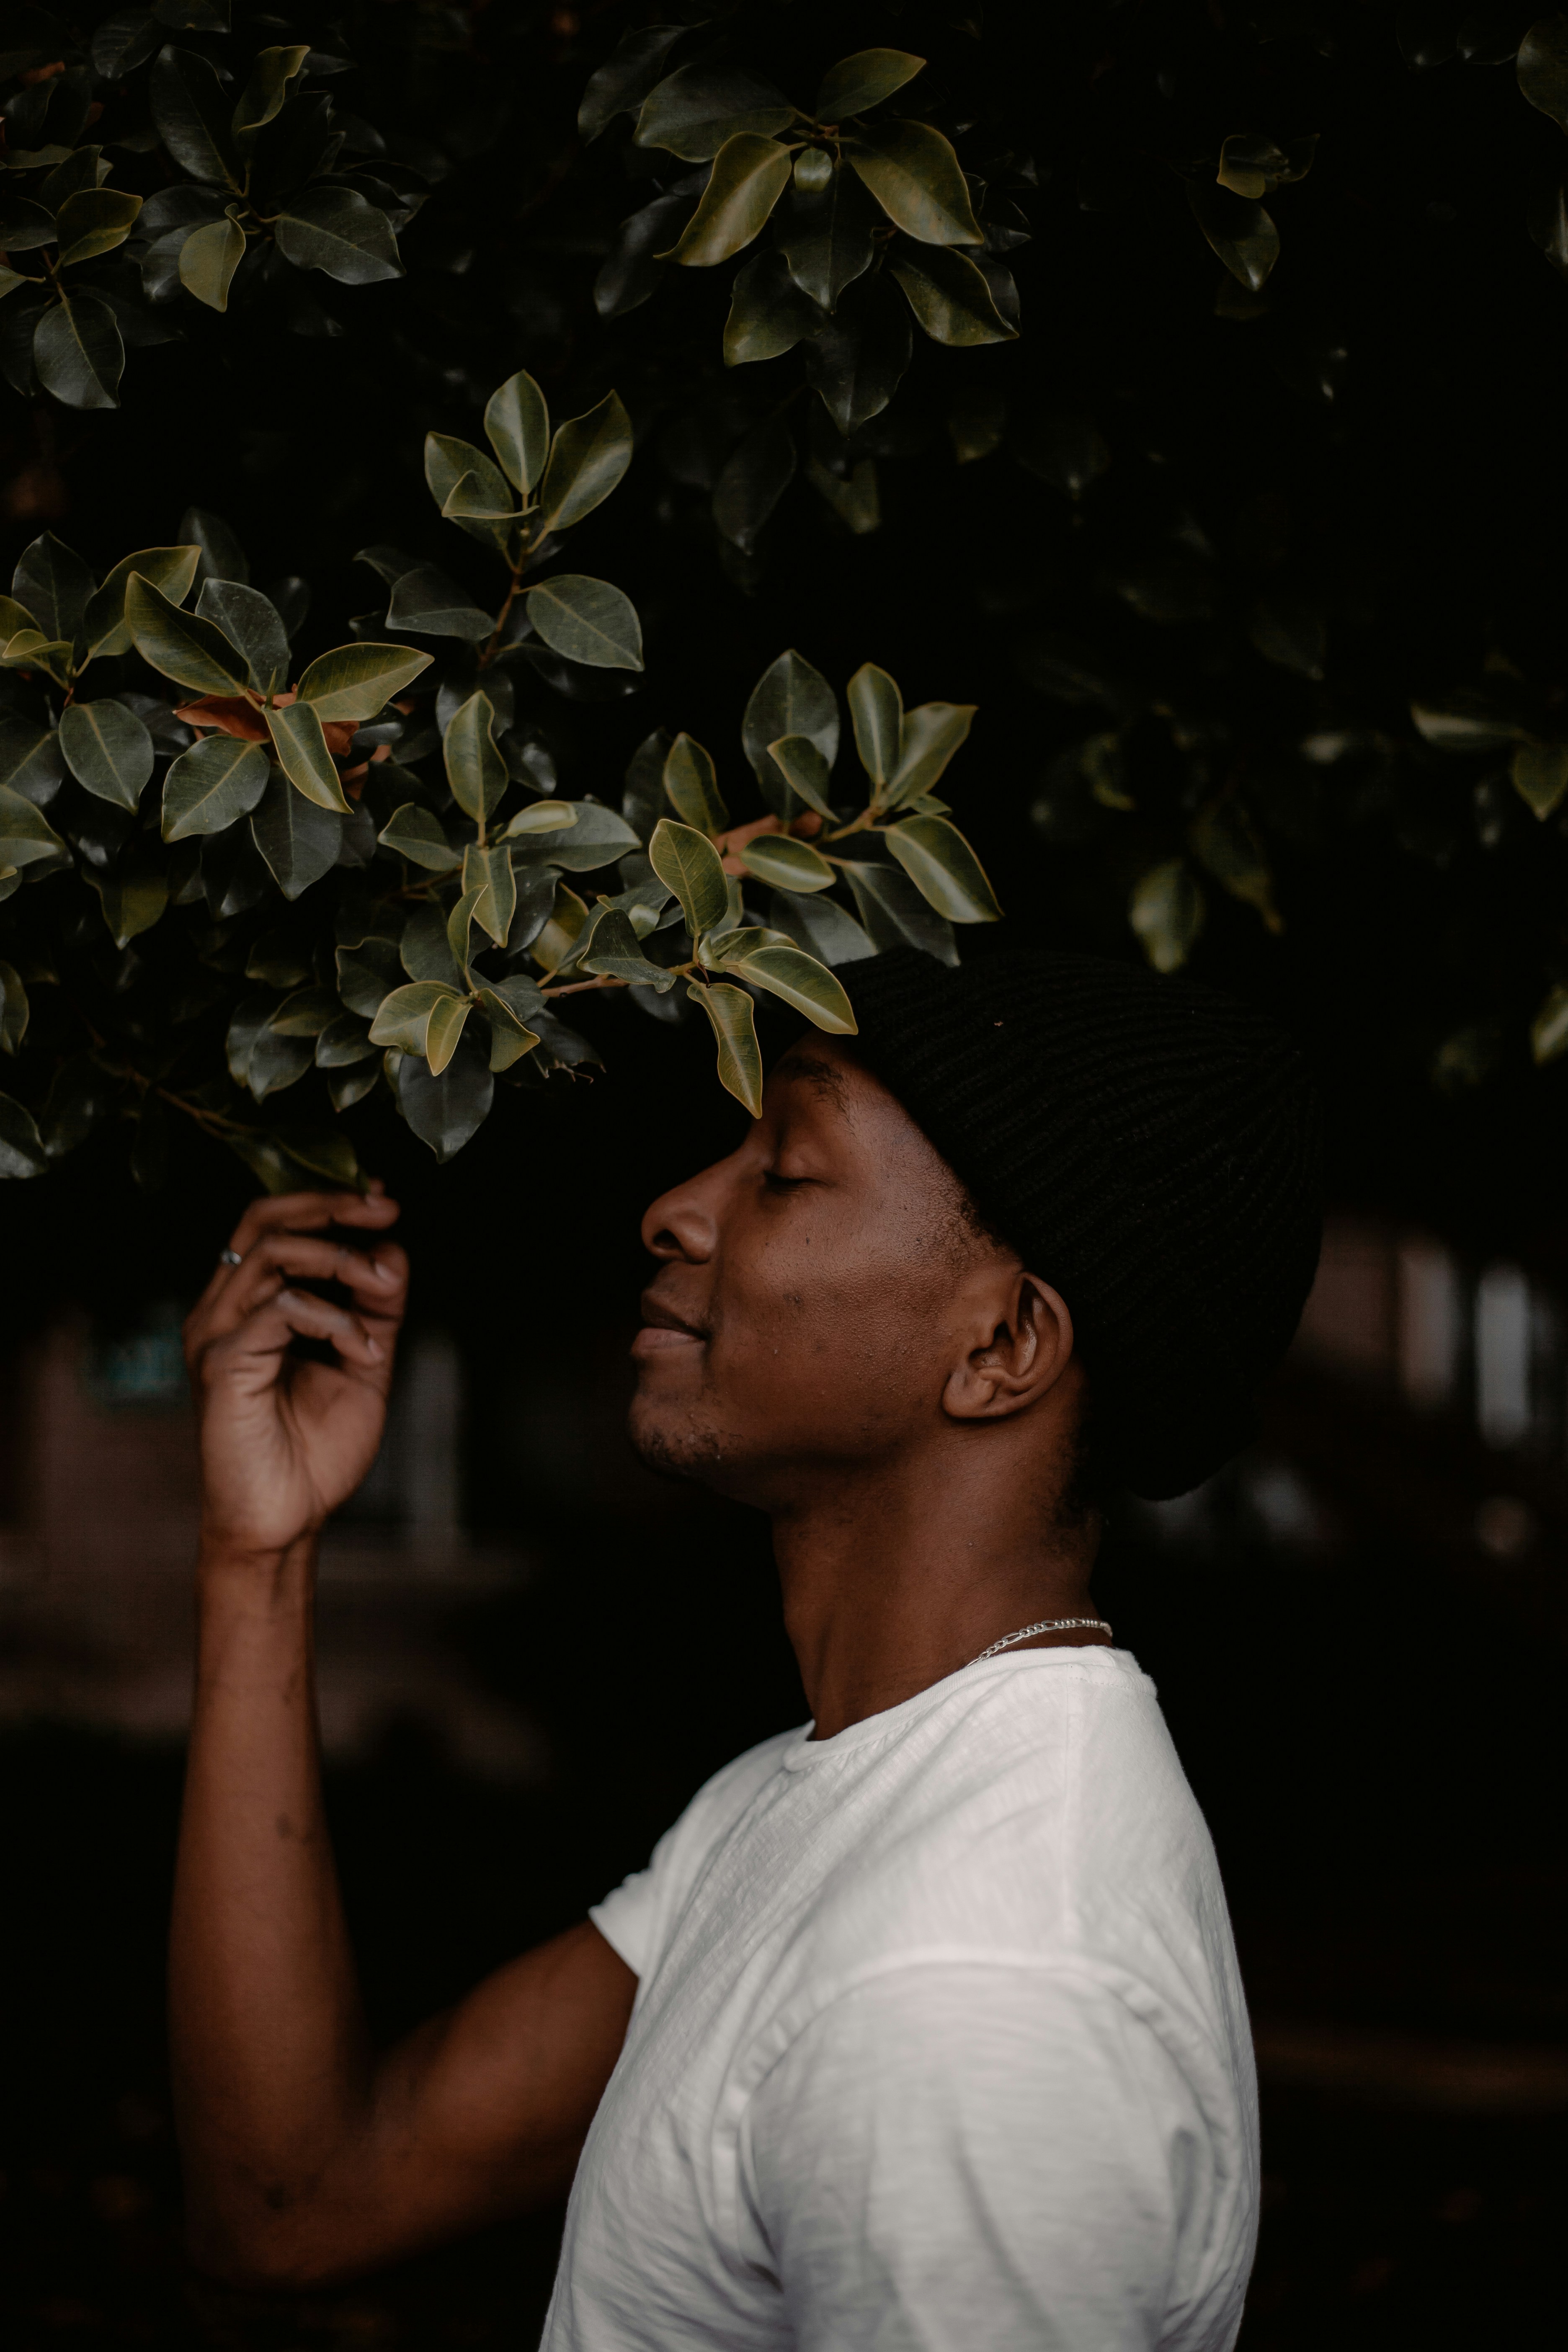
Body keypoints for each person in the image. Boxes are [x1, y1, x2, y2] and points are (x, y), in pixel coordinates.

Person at [171, 944, 1321, 2351]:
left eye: (785, 1171)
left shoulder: (970, 1984)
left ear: (1003, 1345)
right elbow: (295, 2203)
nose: (674, 1210)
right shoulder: (829, 1793)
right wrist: (259, 1553)